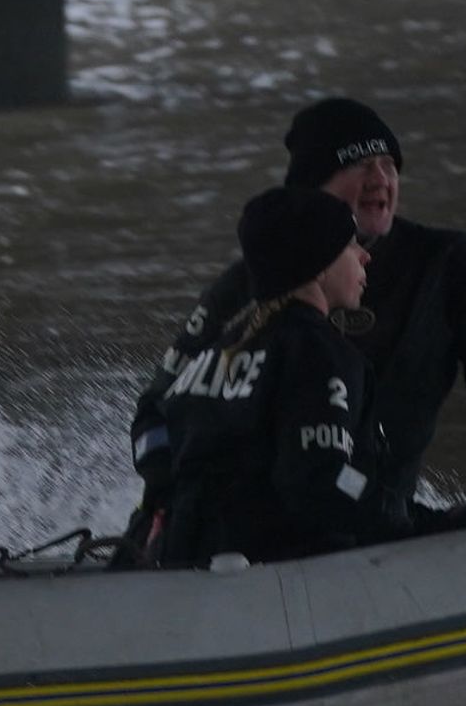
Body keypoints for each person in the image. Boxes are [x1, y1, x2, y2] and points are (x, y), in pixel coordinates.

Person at [125, 96, 466, 552]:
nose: (380, 179)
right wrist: (164, 504)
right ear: (310, 190)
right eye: (360, 165)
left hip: (374, 528)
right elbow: (158, 410)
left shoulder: (445, 264)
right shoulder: (253, 283)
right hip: (250, 544)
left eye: (389, 164)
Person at [147, 187, 399, 569]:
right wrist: (402, 513)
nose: (365, 255)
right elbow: (319, 479)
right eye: (350, 246)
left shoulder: (213, 353)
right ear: (318, 265)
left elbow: (158, 437)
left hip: (182, 560)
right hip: (270, 583)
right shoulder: (319, 352)